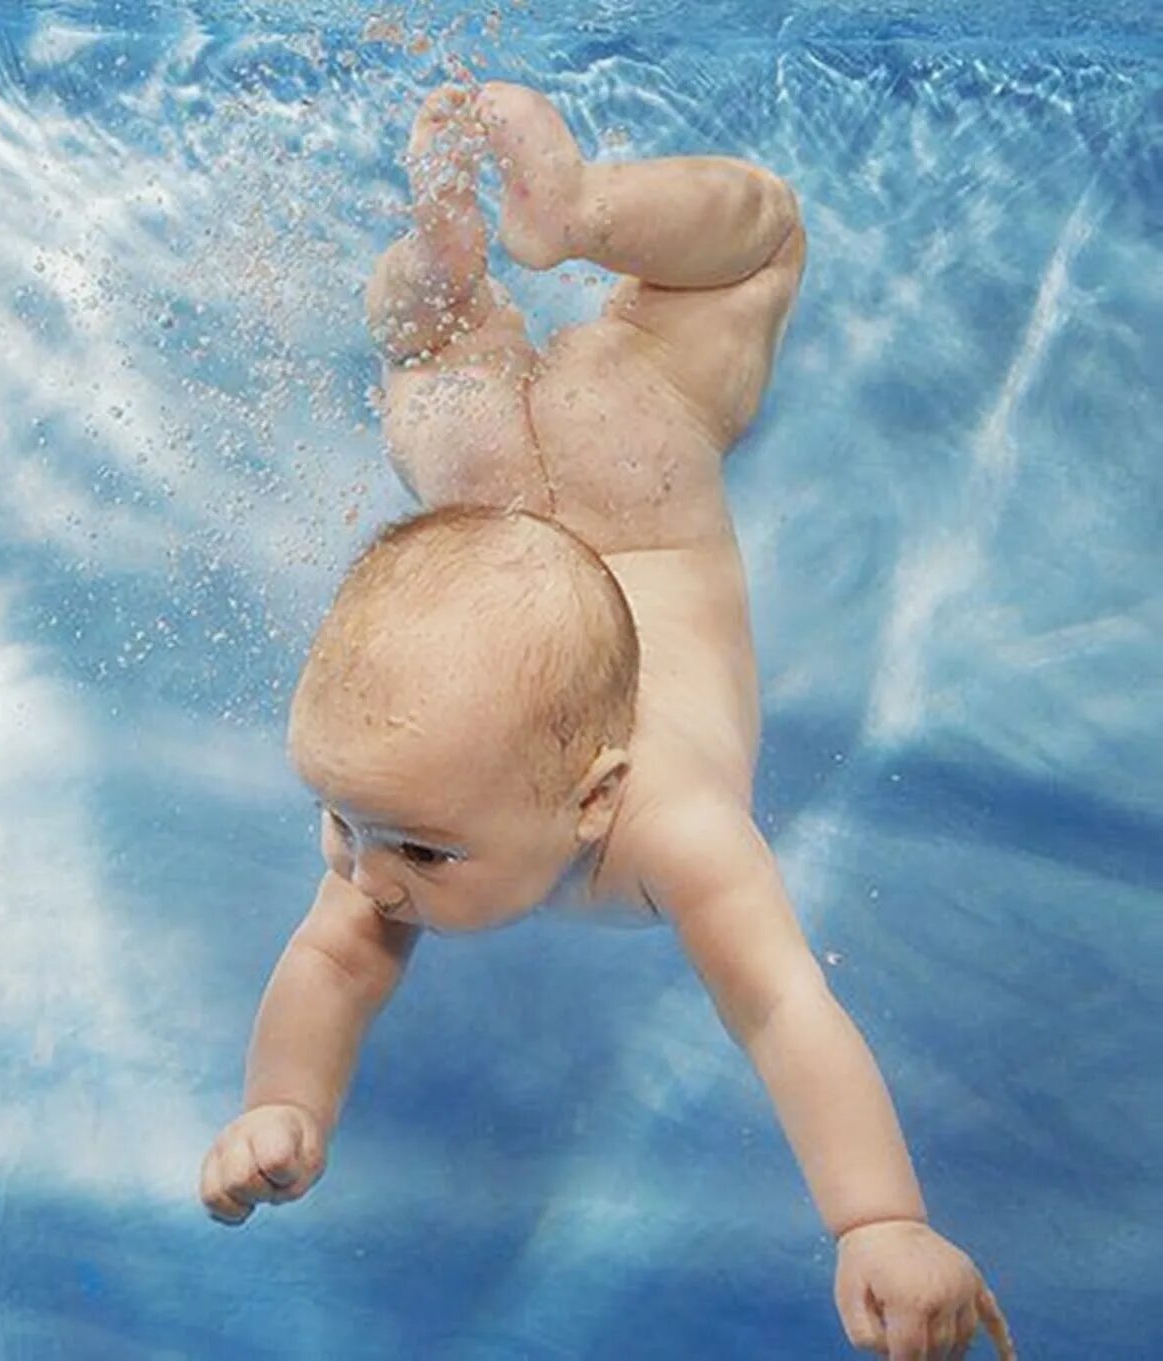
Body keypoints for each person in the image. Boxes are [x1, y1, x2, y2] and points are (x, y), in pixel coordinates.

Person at [199, 82, 1015, 1361]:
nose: (365, 878)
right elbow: (337, 960)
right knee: (454, 355)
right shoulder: (409, 810)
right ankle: (542, 229)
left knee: (763, 238)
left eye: (410, 849)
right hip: (537, 491)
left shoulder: (669, 825)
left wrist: (881, 1216)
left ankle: (464, 258)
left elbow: (783, 1005)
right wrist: (282, 1103)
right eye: (342, 821)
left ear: (597, 794)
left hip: (644, 483)